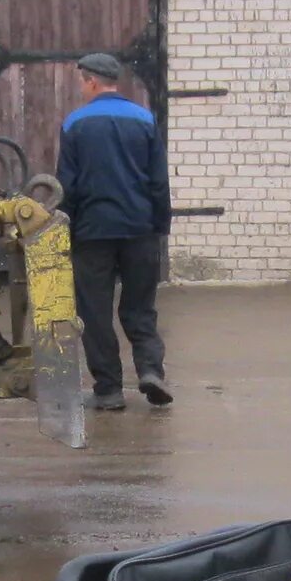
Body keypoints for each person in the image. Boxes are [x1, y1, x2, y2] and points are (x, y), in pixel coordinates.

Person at [57, 52, 171, 410]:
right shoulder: (144, 119)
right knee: (140, 308)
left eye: (81, 82)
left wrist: (65, 229)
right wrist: (160, 226)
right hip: (140, 229)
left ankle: (108, 390)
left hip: (93, 233)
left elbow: (67, 186)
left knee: (96, 312)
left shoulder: (75, 124)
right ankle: (151, 370)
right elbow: (158, 182)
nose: (81, 88)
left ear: (91, 81)